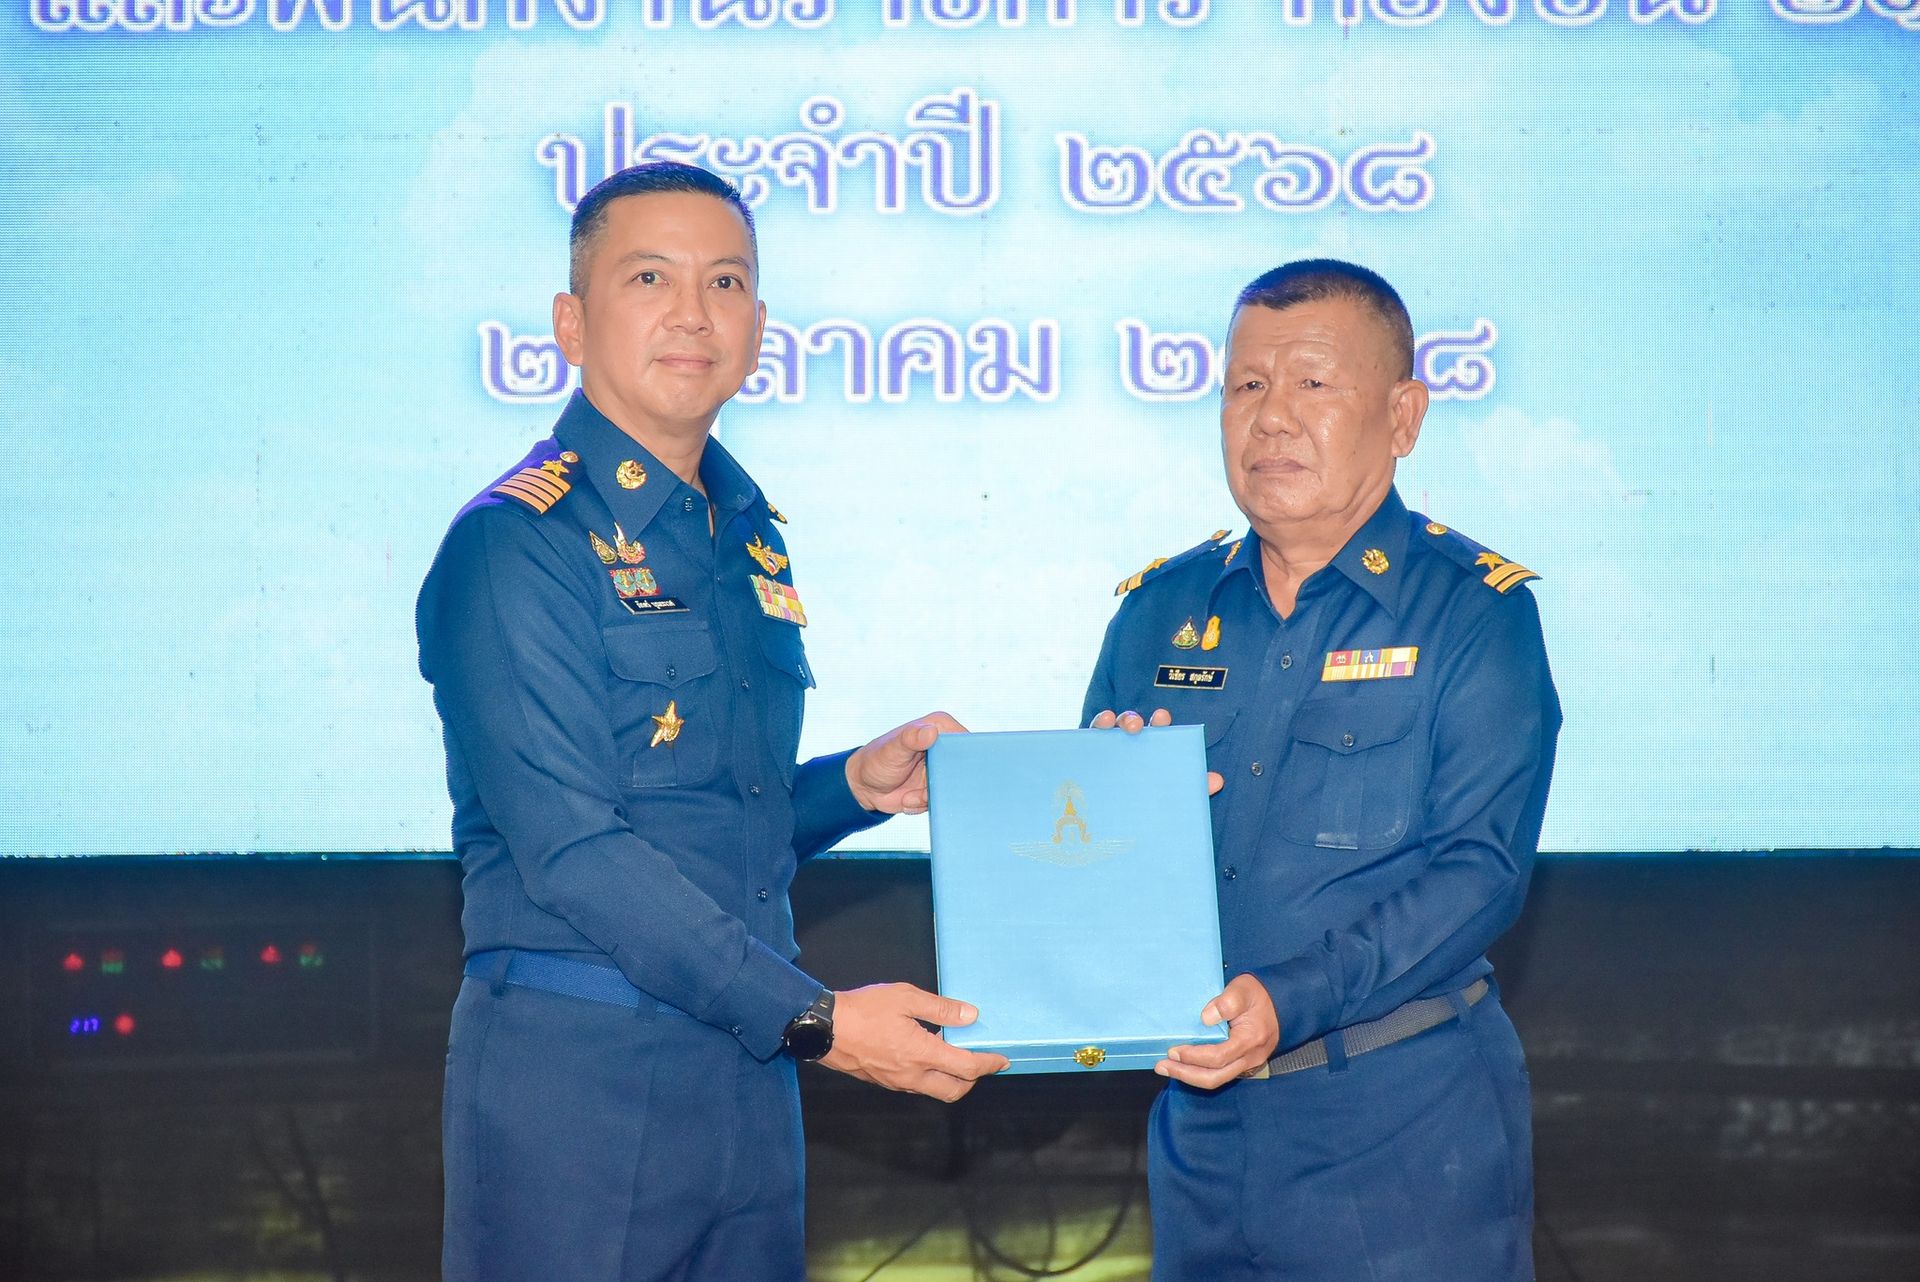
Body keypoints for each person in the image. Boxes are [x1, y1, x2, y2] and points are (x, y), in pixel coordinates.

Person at [416, 162, 1007, 1282]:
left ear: (759, 327)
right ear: (571, 323)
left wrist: (856, 786)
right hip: (581, 1079)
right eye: (651, 278)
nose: (694, 312)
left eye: (725, 282)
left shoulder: (746, 531)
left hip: (745, 1073)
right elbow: (577, 851)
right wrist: (818, 1021)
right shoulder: (516, 543)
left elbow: (720, 814)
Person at [1086, 259, 1561, 1280]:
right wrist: (1106, 824)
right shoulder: (1157, 612)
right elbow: (1089, 862)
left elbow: (1479, 874)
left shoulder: (1475, 614)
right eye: (1247, 385)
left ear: (1403, 416)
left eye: (1312, 383)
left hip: (1401, 1127)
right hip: (1201, 1129)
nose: (1271, 418)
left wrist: (1287, 999)